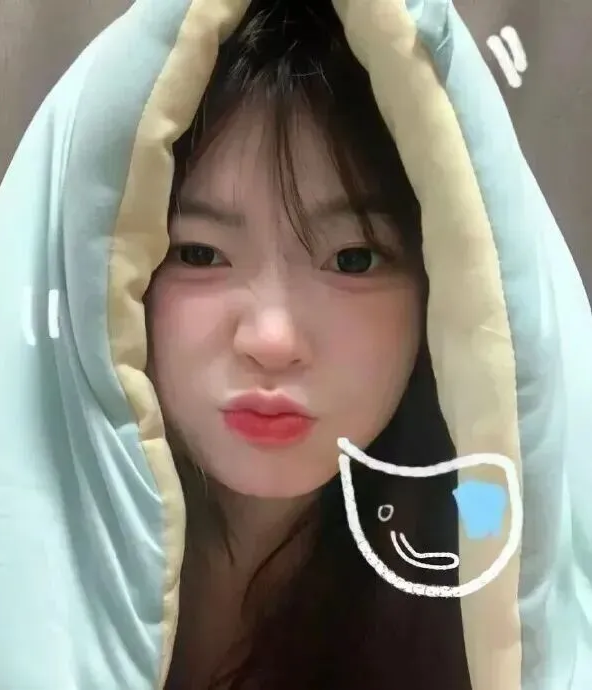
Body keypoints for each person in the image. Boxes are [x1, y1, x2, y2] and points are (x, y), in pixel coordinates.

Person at [146, 3, 470, 688]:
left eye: (353, 259)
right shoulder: (10, 566)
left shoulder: (493, 600)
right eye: (200, 253)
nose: (272, 341)